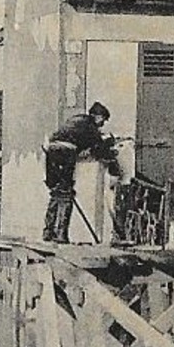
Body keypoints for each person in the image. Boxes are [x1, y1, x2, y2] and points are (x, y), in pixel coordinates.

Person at [43, 102, 120, 243]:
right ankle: (61, 234)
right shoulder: (91, 127)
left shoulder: (76, 119)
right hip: (66, 152)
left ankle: (48, 232)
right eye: (103, 120)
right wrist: (112, 159)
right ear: (98, 116)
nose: (102, 124)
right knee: (67, 193)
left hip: (51, 151)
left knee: (56, 191)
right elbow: (99, 150)